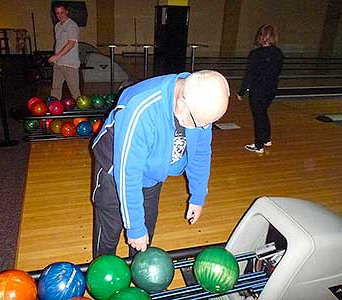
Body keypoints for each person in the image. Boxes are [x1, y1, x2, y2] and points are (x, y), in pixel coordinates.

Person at [91, 70, 230, 257]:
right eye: (201, 124)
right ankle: (101, 280)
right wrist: (134, 228)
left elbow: (200, 153)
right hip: (115, 172)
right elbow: (127, 174)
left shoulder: (200, 101)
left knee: (145, 233)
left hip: (153, 174)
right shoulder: (140, 109)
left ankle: (139, 278)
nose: (204, 128)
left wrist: (198, 196)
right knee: (111, 231)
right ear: (181, 105)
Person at [237, 24, 284, 153]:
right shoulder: (279, 53)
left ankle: (259, 145)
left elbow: (249, 75)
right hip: (272, 89)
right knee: (263, 113)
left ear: (261, 37)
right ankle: (267, 139)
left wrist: (242, 92)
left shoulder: (255, 54)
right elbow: (277, 71)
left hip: (258, 90)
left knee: (258, 116)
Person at [48, 3, 81, 100]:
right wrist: (56, 58)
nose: (59, 15)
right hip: (58, 63)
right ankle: (53, 108)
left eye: (62, 12)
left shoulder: (72, 25)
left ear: (67, 11)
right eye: (57, 13)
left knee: (75, 92)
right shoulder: (57, 26)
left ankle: (82, 112)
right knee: (55, 89)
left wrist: (56, 56)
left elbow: (71, 43)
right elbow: (59, 43)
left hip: (70, 64)